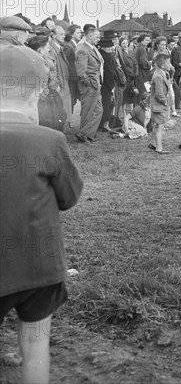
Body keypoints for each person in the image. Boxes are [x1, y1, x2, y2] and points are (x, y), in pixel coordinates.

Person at [0, 44, 83, 384]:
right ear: (36, 94)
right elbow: (69, 197)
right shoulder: (50, 140)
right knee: (36, 343)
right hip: (39, 267)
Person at [75, 27, 103, 143]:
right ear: (89, 36)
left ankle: (85, 133)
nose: (99, 39)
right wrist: (90, 83)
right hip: (89, 85)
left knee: (98, 110)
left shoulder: (92, 48)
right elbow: (81, 72)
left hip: (94, 84)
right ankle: (84, 134)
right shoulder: (82, 49)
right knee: (88, 112)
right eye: (97, 37)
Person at [149, 53, 171, 154]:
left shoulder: (162, 73)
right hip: (159, 105)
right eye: (168, 63)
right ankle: (159, 148)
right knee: (160, 126)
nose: (170, 64)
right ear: (162, 65)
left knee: (157, 125)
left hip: (158, 105)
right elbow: (159, 94)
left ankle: (153, 143)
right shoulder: (158, 76)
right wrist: (165, 102)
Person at [63, 24, 82, 113]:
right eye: (78, 33)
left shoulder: (75, 45)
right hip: (70, 78)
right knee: (70, 101)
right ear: (72, 34)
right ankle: (68, 123)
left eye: (80, 32)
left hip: (75, 78)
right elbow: (64, 63)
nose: (80, 34)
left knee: (73, 100)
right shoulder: (68, 46)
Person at [133, 33, 152, 102]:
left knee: (139, 93)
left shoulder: (137, 48)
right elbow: (143, 62)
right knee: (142, 93)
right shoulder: (142, 48)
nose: (148, 41)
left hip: (137, 72)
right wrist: (149, 64)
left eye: (149, 40)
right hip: (142, 73)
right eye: (146, 40)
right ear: (141, 40)